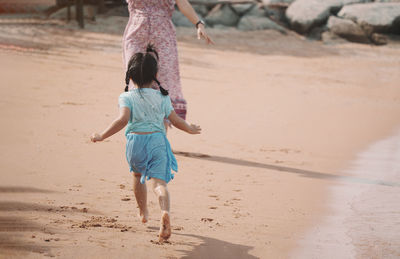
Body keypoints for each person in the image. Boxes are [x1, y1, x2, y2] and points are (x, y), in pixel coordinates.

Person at [91, 44, 201, 242]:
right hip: (158, 141)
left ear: (130, 76)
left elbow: (122, 121)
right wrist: (190, 129)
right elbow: (176, 121)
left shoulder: (126, 96)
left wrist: (101, 135)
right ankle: (165, 211)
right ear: (156, 74)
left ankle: (143, 212)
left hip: (136, 142)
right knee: (159, 183)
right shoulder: (163, 97)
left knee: (137, 175)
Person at [123, 0, 213, 122]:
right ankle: (138, 130)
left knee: (164, 82)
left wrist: (199, 24)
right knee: (136, 78)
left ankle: (160, 135)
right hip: (136, 35)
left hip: (163, 37)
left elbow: (183, 3)